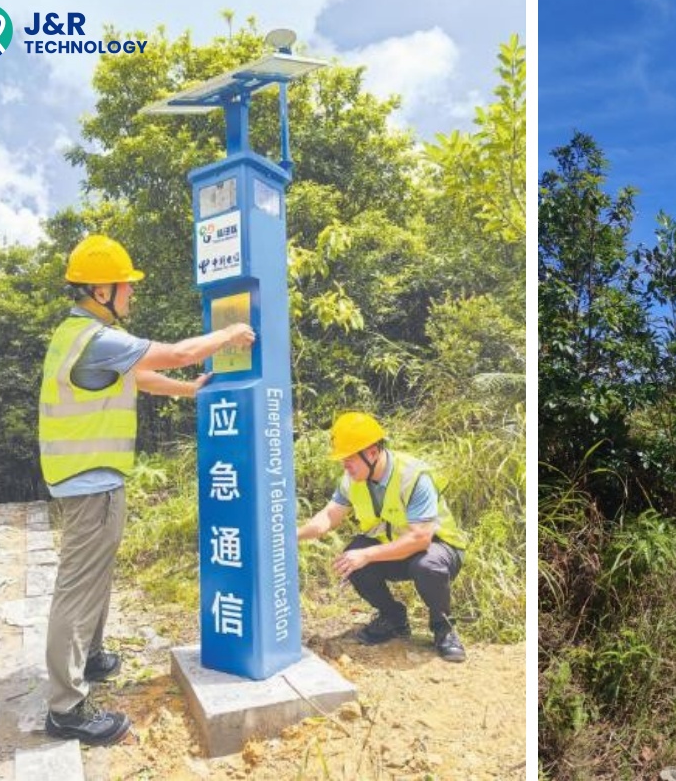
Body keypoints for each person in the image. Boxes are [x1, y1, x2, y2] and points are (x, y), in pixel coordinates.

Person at [38, 235, 256, 745]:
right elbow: (177, 352)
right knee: (78, 586)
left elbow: (143, 377)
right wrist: (228, 336)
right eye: (125, 285)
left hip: (91, 479)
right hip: (91, 481)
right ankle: (66, 709)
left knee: (94, 578)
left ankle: (89, 657)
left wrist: (188, 390)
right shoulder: (95, 338)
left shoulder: (78, 336)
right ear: (100, 289)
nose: (131, 294)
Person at [297, 412, 469, 663]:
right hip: (394, 549)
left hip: (437, 548)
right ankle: (393, 619)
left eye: (350, 458)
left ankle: (444, 629)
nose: (345, 465)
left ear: (373, 452)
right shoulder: (352, 479)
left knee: (426, 565)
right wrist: (293, 536)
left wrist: (366, 554)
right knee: (352, 560)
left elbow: (420, 539)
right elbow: (329, 517)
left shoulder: (413, 476)